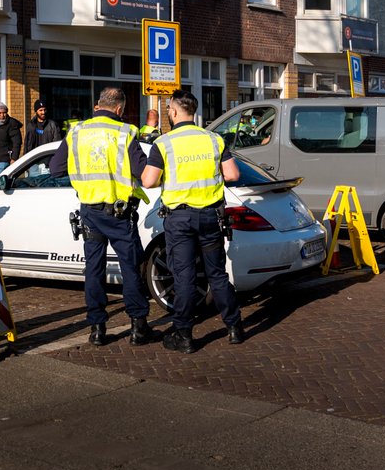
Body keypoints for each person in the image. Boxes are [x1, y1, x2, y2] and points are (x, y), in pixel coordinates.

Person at [49, 87, 155, 347]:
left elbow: (55, 169)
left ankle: (97, 329)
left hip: (90, 212)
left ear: (98, 105)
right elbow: (143, 172)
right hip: (119, 214)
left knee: (94, 270)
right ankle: (138, 327)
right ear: (119, 108)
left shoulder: (76, 132)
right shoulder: (125, 132)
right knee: (130, 268)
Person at [141, 90, 244, 353]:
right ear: (193, 112)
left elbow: (148, 181)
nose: (168, 113)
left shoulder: (164, 143)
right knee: (217, 274)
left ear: (174, 111)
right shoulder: (213, 139)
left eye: (169, 110)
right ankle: (234, 327)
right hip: (210, 216)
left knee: (184, 277)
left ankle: (184, 335)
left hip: (180, 219)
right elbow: (233, 174)